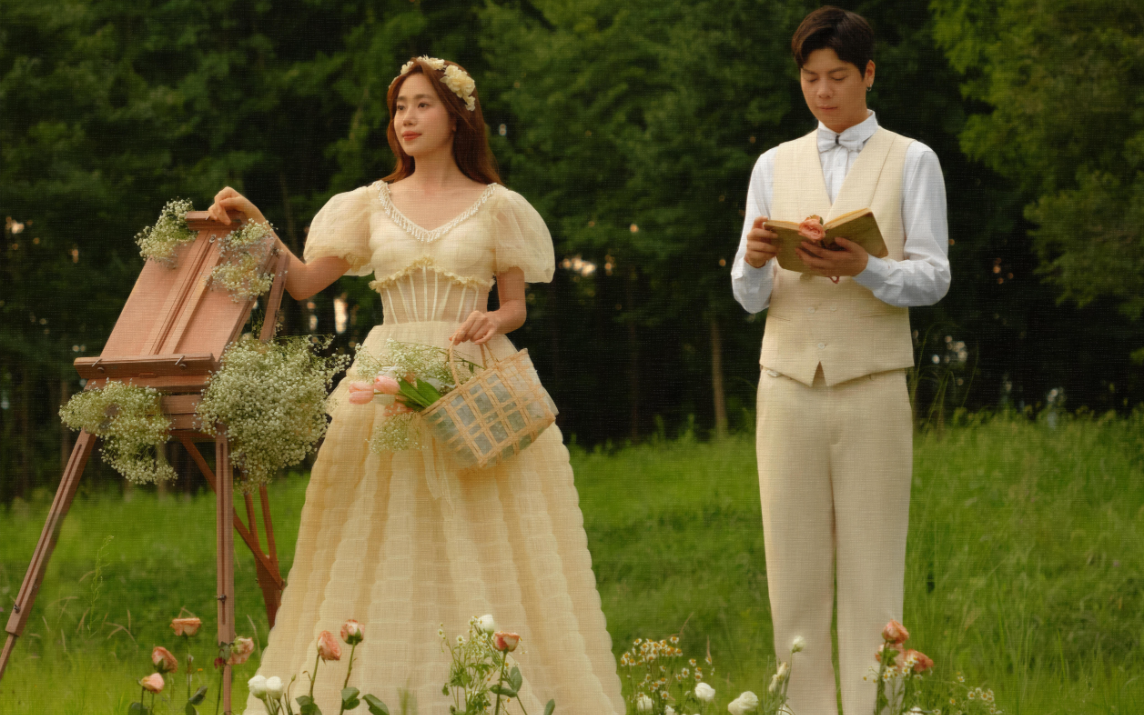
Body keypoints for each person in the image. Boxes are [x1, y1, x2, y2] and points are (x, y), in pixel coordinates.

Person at [208, 57, 624, 715]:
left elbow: (516, 305)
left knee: (486, 532)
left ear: (456, 117)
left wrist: (495, 318)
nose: (407, 118)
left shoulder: (498, 206)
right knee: (384, 531)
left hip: (470, 376)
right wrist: (258, 224)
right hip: (386, 382)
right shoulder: (369, 204)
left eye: (422, 104)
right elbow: (304, 282)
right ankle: (373, 687)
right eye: (400, 106)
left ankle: (494, 689)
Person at [730, 7, 950, 715]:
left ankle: (876, 707)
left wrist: (867, 267)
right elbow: (748, 297)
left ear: (869, 74)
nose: (823, 92)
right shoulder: (773, 164)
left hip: (872, 384)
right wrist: (754, 261)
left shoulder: (913, 159)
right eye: (810, 78)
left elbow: (935, 277)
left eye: (838, 77)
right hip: (787, 383)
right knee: (791, 573)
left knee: (873, 570)